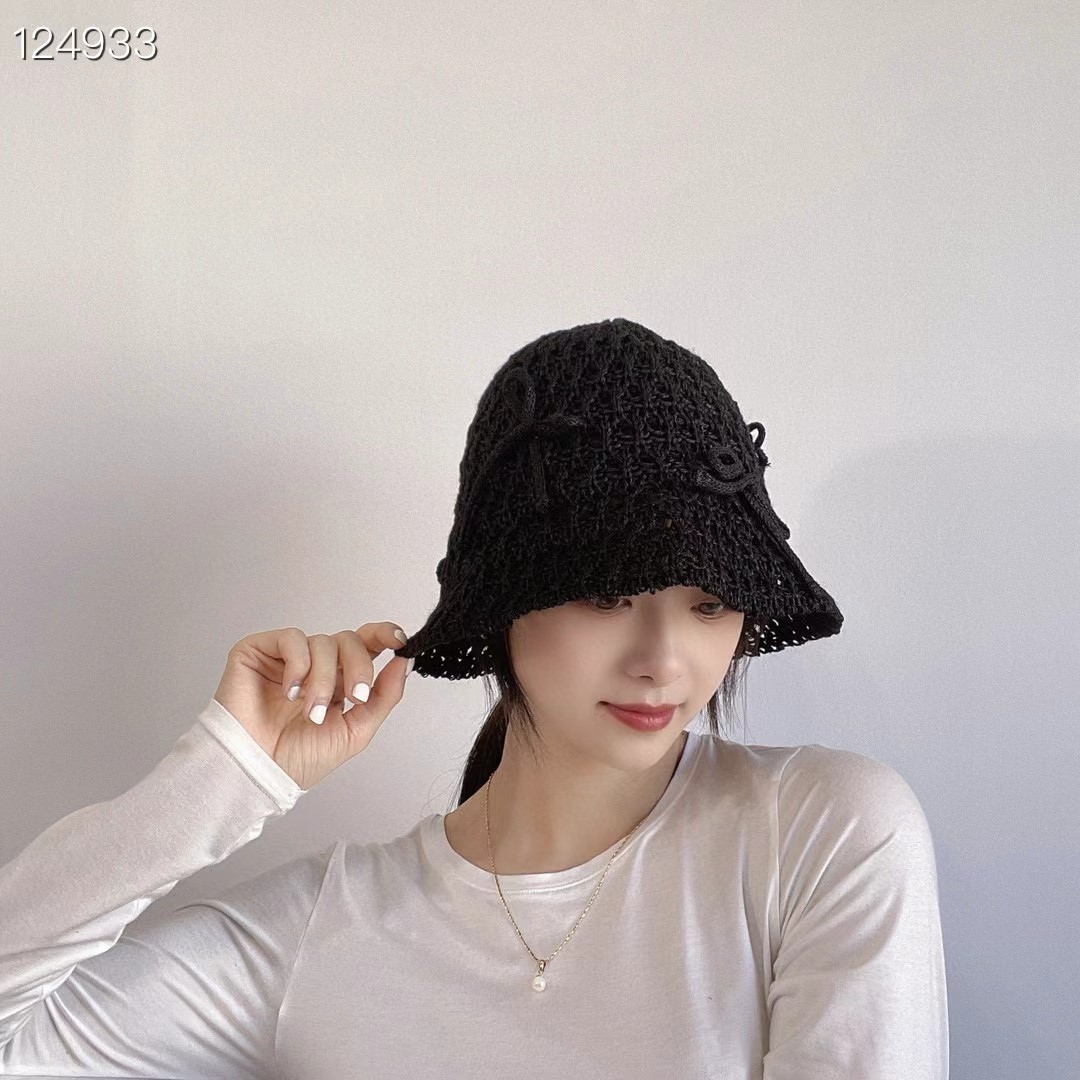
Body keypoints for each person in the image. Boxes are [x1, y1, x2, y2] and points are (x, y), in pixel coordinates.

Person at [0, 318, 949, 1078]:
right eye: (607, 595)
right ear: (505, 607)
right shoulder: (323, 930)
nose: (664, 661)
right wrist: (228, 772)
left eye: (708, 604)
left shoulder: (822, 832)